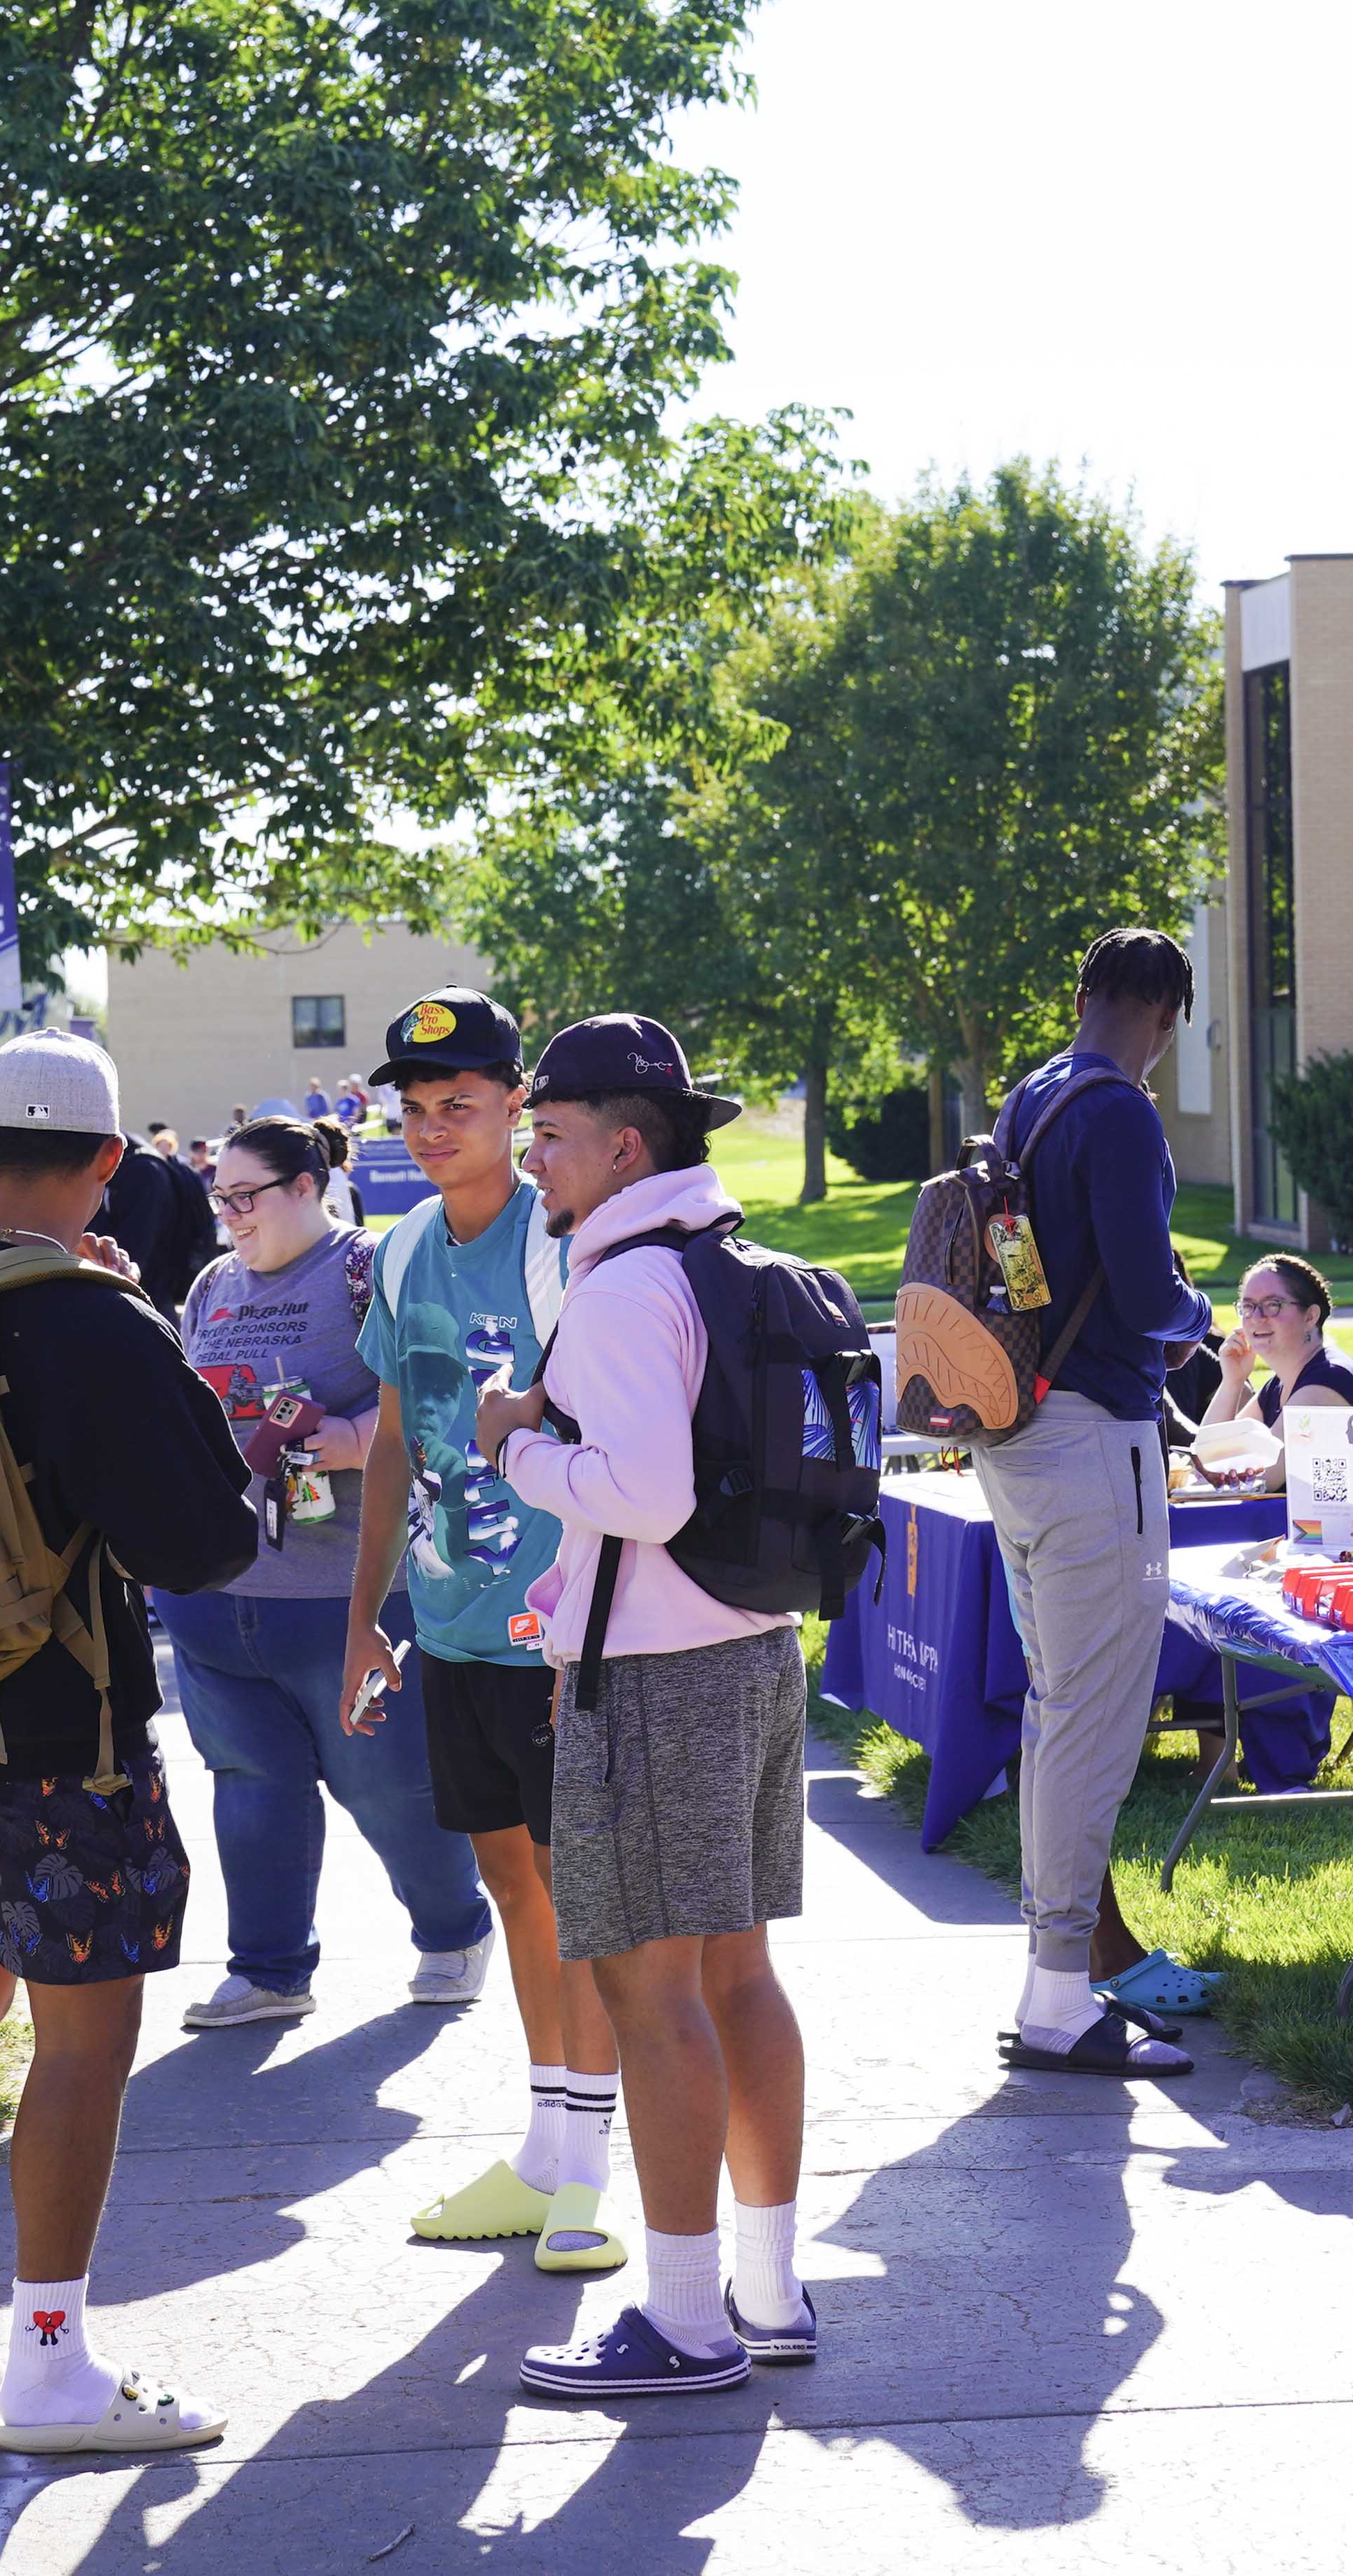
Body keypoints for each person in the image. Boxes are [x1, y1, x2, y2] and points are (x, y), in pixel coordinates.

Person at [0, 1030, 261, 2458]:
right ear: (108, 1162)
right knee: (83, 2045)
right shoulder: (94, 1320)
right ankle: (50, 2361)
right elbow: (202, 1544)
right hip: (64, 1737)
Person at [477, 1014, 813, 2395]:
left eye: (548, 1133)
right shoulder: (736, 1261)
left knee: (650, 1989)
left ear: (625, 1143)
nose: (532, 1157)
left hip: (658, 1679)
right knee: (740, 1976)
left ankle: (681, 2318)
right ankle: (768, 2286)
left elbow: (646, 1494)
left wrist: (522, 1454)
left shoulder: (618, 1287)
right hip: (755, 1654)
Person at [337, 987, 625, 2279]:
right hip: (452, 1627)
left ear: (520, 1106)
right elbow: (394, 1442)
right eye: (414, 1108)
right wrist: (367, 1621)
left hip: (561, 1631)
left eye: (460, 1104)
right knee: (515, 1889)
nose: (433, 1127)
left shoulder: (560, 1245)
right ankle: (545, 2147)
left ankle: (595, 2171)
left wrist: (589, 1629)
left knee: (585, 1899)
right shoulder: (398, 1252)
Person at [153, 1115, 493, 2029]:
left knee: (383, 1783)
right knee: (249, 1783)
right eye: (218, 1197)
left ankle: (454, 1933)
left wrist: (344, 1440)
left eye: (246, 1196)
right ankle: (269, 1971)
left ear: (308, 1185)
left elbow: (451, 1405)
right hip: (224, 1599)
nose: (229, 1215)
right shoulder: (213, 1286)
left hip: (355, 1596)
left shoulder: (371, 1271)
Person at [975, 930, 1214, 2077]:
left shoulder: (1032, 1094)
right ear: (1168, 1017)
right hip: (1091, 1441)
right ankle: (1063, 1995)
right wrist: (1197, 1314)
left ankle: (1052, 1977)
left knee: (1054, 1706)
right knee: (1091, 1718)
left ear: (1082, 997)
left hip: (1015, 1429)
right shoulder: (1119, 1110)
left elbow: (1035, 1271)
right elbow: (1146, 1280)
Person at [1205, 1255, 1353, 1522]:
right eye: (1248, 1307)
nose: (1256, 1317)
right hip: (1323, 1549)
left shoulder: (1326, 1383)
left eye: (1273, 1305)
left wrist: (1223, 1468)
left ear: (1311, 1316)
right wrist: (1232, 1380)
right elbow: (1210, 1459)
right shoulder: (1278, 1386)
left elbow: (1262, 1479)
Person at [91, 1117, 217, 1312]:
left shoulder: (144, 1173)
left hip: (145, 1299)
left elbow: (133, 1253)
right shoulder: (142, 1168)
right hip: (147, 1294)